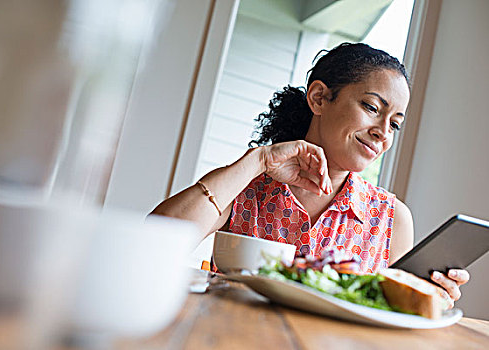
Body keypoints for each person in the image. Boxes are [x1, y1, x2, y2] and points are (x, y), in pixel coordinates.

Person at [152, 43, 469, 307]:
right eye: (372, 108)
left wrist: (431, 296)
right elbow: (156, 240)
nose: (383, 133)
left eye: (395, 123)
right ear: (319, 98)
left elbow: (392, 312)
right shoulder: (244, 185)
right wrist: (257, 160)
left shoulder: (391, 220)